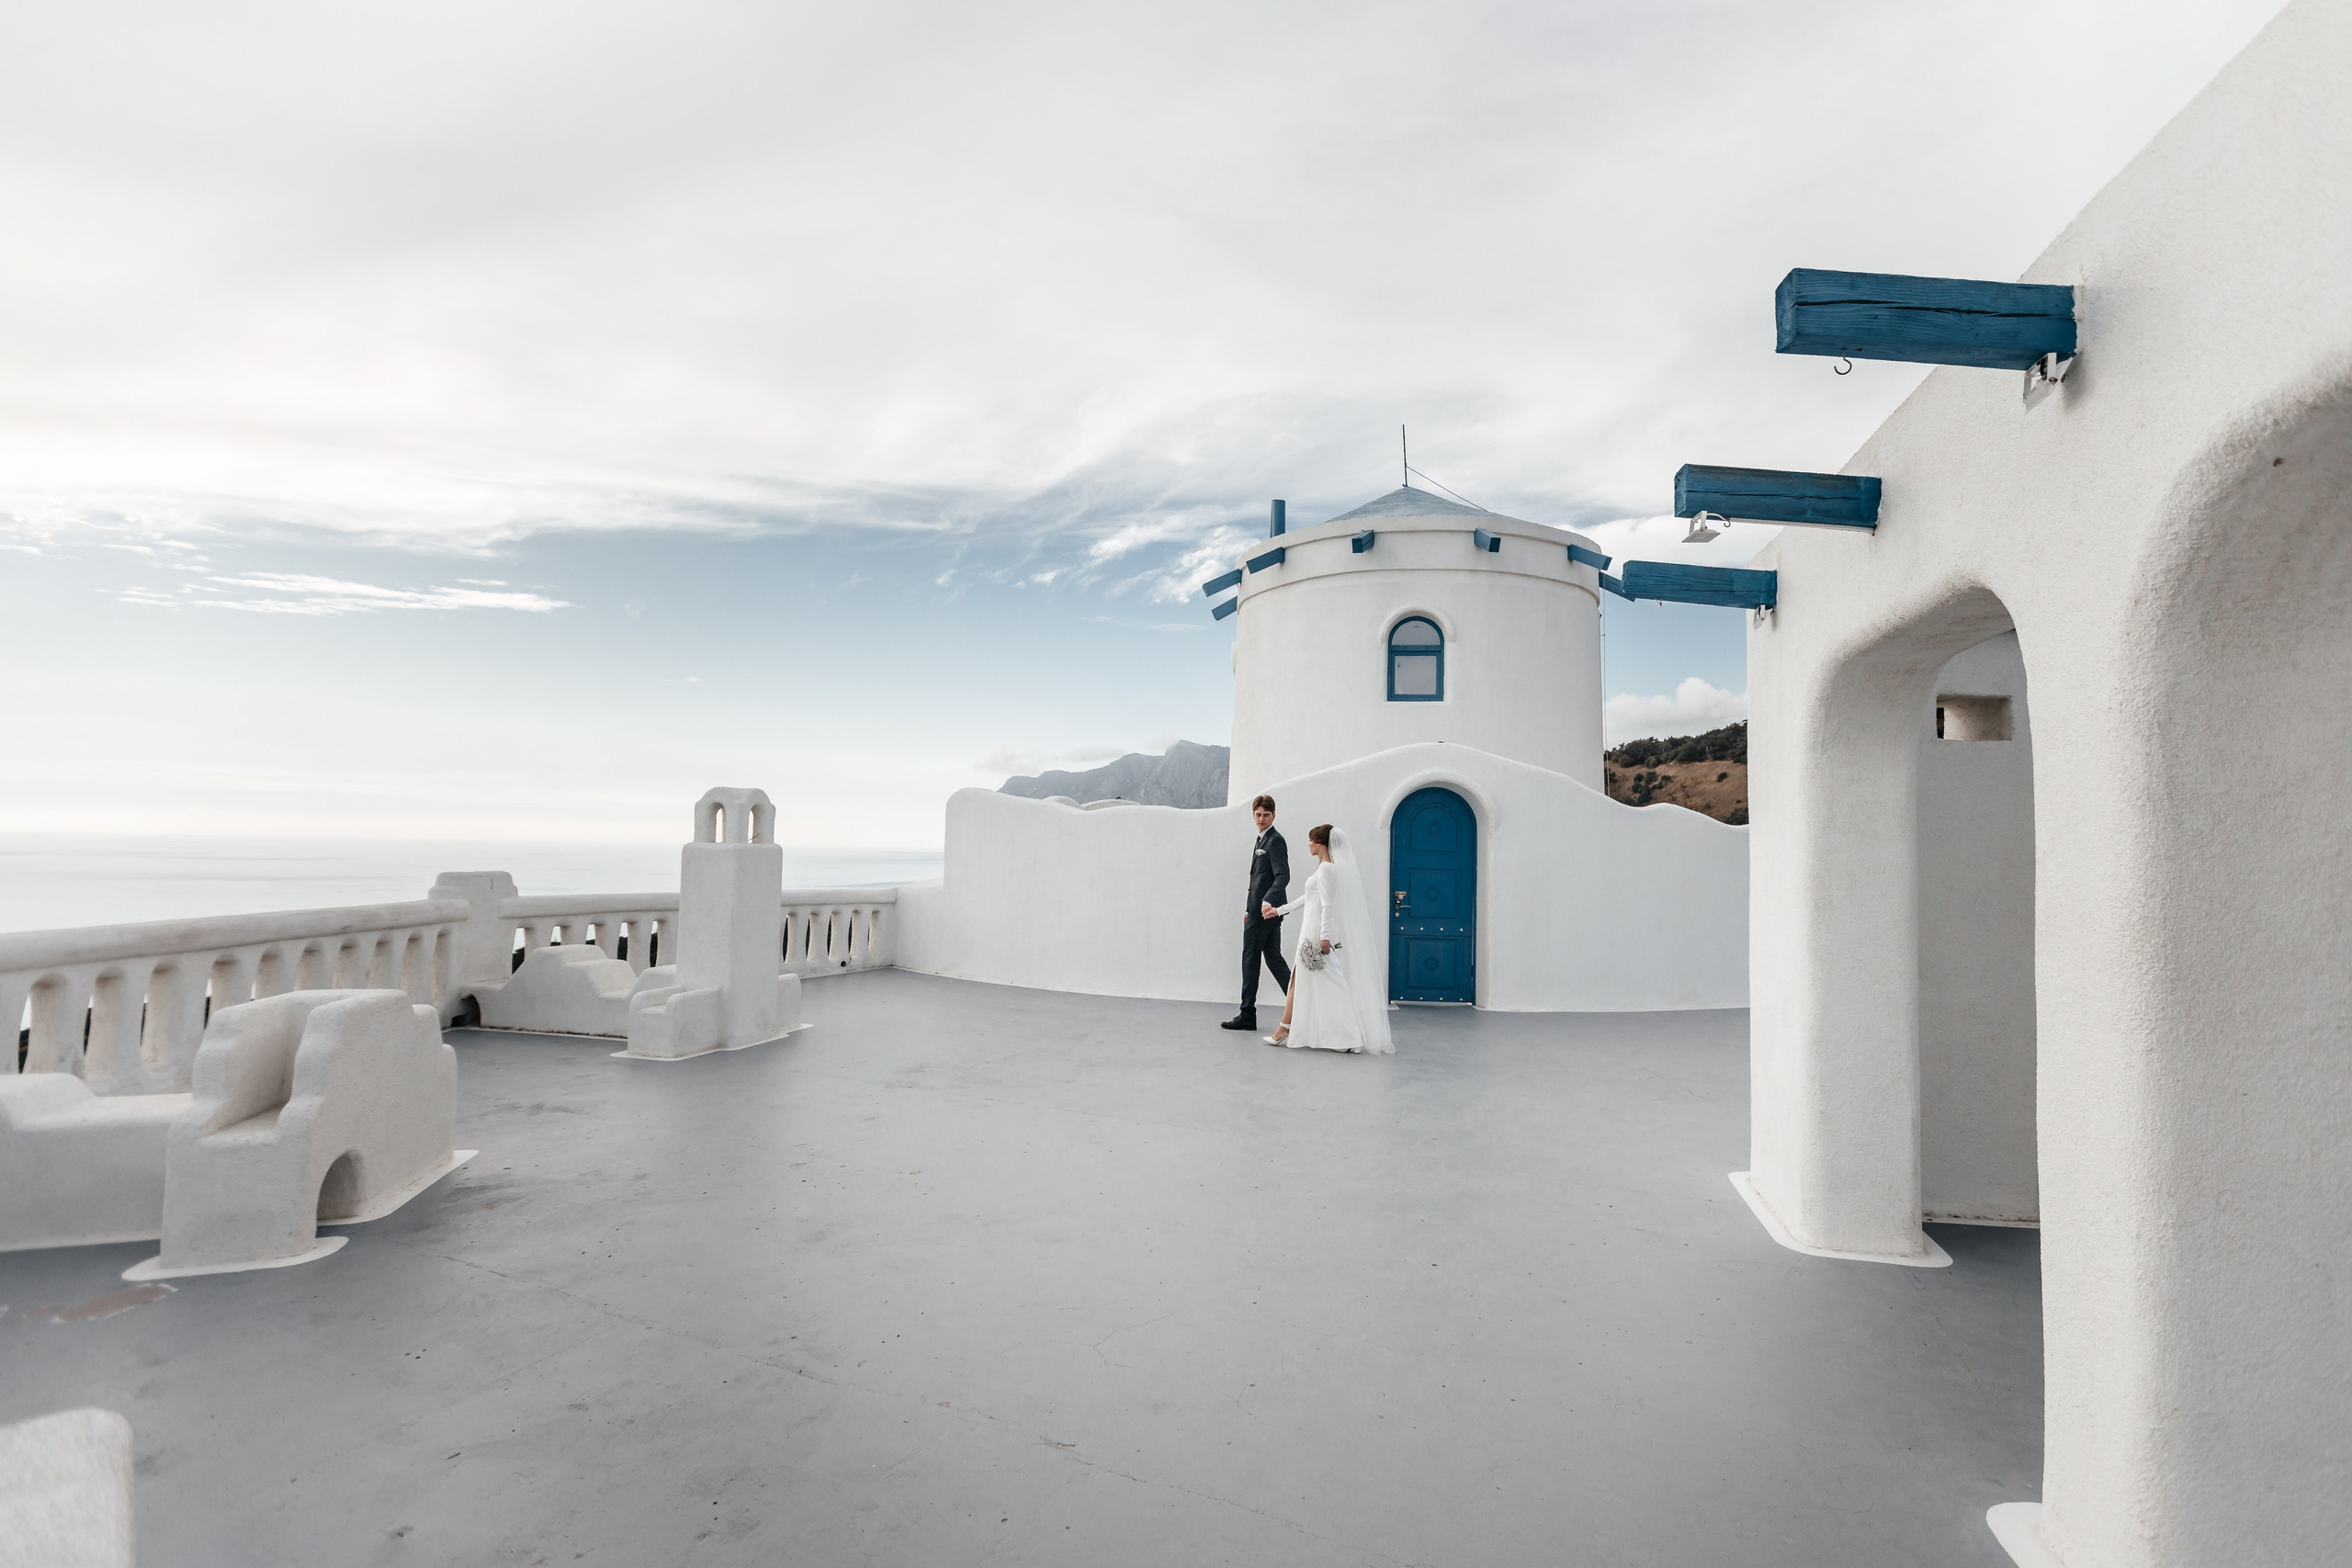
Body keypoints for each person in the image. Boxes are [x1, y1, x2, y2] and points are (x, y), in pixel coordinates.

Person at [1261, 824, 1395, 1055]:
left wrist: (1324, 937)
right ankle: (1285, 1029)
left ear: (1321, 844)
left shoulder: (1326, 870)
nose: (1308, 845)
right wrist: (1279, 910)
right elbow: (1308, 897)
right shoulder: (1321, 868)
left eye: (1311, 841)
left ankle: (1341, 1035)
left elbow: (1326, 904)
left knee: (1329, 980)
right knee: (1298, 979)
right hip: (1309, 927)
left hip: (1315, 930)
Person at [1222, 794, 1290, 1032]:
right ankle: (1301, 1005)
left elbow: (1283, 876)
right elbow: (1258, 879)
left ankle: (1247, 1014)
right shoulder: (1261, 840)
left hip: (1265, 912)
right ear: (1253, 815)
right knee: (1274, 958)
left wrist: (1265, 903)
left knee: (1250, 959)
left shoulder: (1275, 840)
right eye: (1258, 815)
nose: (1261, 819)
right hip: (1258, 911)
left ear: (1274, 815)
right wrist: (1248, 909)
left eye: (1266, 815)